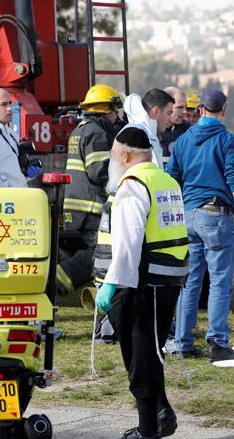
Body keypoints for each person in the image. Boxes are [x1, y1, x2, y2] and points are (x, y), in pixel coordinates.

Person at [95, 126, 188, 439]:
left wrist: (112, 283)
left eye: (113, 156)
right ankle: (161, 415)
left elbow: (129, 243)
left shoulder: (132, 185)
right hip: (169, 279)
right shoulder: (166, 180)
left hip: (140, 283)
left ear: (123, 155)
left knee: (140, 355)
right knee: (151, 350)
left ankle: (149, 430)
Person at [166, 88, 234, 361]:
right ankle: (218, 343)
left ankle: (183, 343)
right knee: (220, 282)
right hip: (216, 216)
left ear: (199, 111)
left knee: (190, 281)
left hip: (188, 216)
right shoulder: (227, 140)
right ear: (223, 111)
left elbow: (171, 177)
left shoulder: (183, 141)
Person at [57, 84, 121, 295]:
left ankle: (59, 280)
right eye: (115, 111)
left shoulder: (80, 130)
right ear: (107, 109)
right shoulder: (97, 133)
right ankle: (59, 281)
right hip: (90, 209)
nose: (116, 117)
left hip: (76, 207)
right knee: (100, 253)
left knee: (85, 252)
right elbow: (100, 171)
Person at [123, 88, 174, 169]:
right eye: (169, 113)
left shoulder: (141, 131)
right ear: (156, 111)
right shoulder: (143, 137)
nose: (170, 118)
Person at [160, 87, 190, 160]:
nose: (185, 111)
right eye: (179, 107)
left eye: (185, 107)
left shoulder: (188, 130)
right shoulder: (150, 131)